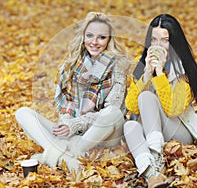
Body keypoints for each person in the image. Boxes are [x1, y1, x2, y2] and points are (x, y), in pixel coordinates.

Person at [15, 12, 131, 171]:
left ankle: (63, 154)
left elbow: (114, 108)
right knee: (23, 113)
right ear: (83, 36)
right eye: (90, 35)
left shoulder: (118, 65)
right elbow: (65, 109)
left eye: (101, 37)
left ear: (109, 39)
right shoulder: (70, 65)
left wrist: (74, 124)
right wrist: (66, 124)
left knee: (113, 112)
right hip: (74, 134)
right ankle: (64, 157)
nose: (94, 42)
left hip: (105, 133)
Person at [123, 14, 197, 188]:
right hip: (152, 132)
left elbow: (173, 109)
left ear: (174, 43)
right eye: (153, 40)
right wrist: (147, 75)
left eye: (165, 40)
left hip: (178, 131)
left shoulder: (183, 68)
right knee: (129, 126)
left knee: (147, 97)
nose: (158, 46)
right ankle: (153, 175)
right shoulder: (141, 65)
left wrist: (158, 74)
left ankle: (156, 157)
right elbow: (131, 106)